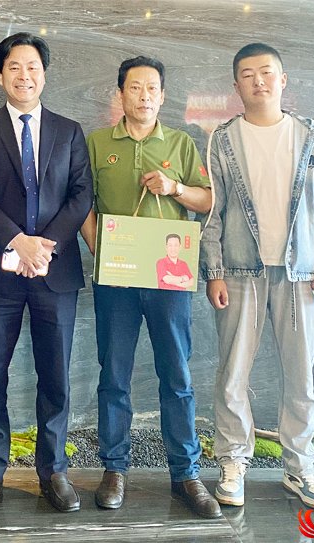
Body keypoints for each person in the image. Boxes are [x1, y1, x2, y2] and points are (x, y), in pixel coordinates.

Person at [200, 43, 314, 510]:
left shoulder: (310, 136)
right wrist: (214, 271)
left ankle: (300, 466)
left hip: (301, 273)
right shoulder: (223, 139)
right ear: (236, 86)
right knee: (232, 374)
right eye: (248, 75)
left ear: (283, 80)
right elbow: (213, 209)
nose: (258, 81)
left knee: (300, 375)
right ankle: (232, 461)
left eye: (266, 72)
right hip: (240, 270)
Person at [79, 56, 220, 518]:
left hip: (169, 280)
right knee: (114, 375)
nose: (143, 96)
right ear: (120, 94)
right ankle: (114, 469)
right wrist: (101, 249)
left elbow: (206, 199)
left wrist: (174, 187)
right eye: (135, 87)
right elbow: (81, 202)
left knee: (176, 375)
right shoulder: (97, 143)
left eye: (152, 88)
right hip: (116, 279)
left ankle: (186, 474)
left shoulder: (180, 143)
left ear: (163, 96)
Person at [0, 32, 92, 513]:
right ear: (1, 76)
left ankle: (53, 470)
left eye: (32, 66)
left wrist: (43, 246)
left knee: (55, 375)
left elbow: (82, 194)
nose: (24, 75)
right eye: (14, 66)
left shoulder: (69, 131)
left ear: (44, 74)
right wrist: (18, 240)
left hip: (55, 272)